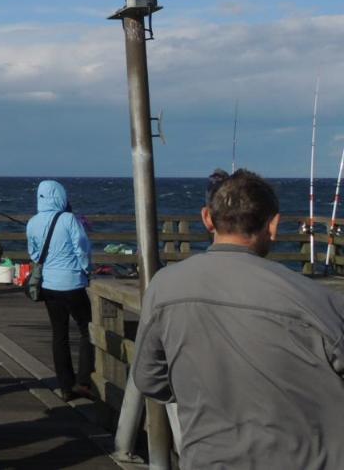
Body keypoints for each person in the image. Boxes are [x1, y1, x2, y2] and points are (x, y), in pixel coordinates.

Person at [132, 169, 344, 469]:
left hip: (210, 458)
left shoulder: (163, 287)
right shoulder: (318, 300)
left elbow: (149, 380)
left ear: (207, 218)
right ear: (273, 225)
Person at [26, 179, 94, 401]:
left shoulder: (33, 222)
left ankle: (65, 386)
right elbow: (81, 246)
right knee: (87, 330)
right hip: (73, 283)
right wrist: (86, 270)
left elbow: (34, 254)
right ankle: (84, 381)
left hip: (49, 286)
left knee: (60, 334)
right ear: (60, 195)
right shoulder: (68, 219)